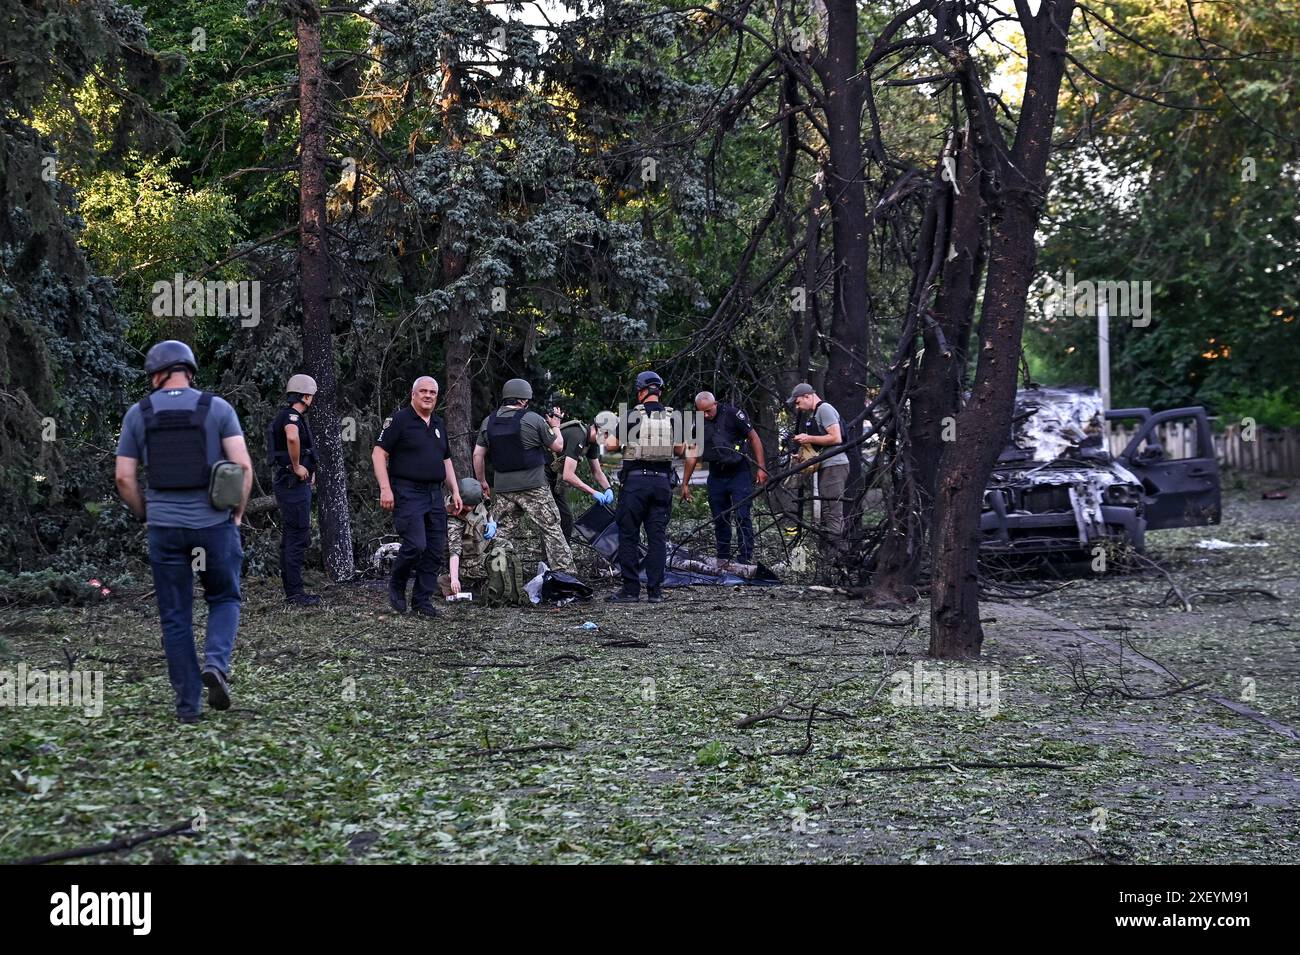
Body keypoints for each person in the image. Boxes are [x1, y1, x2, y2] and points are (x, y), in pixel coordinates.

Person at [114, 340, 252, 723]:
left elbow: (125, 479)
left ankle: (187, 706)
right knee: (224, 598)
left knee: (175, 616)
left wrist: (147, 515)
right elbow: (243, 467)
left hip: (165, 530)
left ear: (157, 375)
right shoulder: (216, 408)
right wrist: (236, 516)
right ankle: (216, 665)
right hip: (213, 528)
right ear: (188, 370)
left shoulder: (138, 414)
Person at [372, 376, 463, 618]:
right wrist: (385, 488)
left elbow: (446, 459)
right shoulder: (399, 421)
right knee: (415, 544)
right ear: (413, 394)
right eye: (423, 391)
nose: (428, 395)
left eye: (432, 392)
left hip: (435, 493)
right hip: (407, 491)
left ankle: (422, 602)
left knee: (434, 550)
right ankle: (397, 584)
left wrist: (454, 490)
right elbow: (379, 453)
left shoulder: (438, 424)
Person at [473, 378, 577, 573]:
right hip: (534, 487)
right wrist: (555, 425)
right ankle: (565, 577)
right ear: (522, 401)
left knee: (501, 532)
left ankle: (496, 578)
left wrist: (482, 482)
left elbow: (478, 454)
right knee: (552, 529)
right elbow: (558, 446)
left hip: (504, 488)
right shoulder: (533, 419)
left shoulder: (489, 421)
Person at [605, 371, 683, 603]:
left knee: (629, 536)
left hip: (636, 483)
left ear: (641, 391)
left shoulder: (632, 416)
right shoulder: (674, 417)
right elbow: (681, 450)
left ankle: (630, 590)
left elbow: (610, 446)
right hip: (662, 484)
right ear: (659, 391)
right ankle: (655, 592)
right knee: (656, 538)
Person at [681, 391, 767, 565]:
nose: (705, 415)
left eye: (708, 411)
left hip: (738, 472)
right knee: (719, 517)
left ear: (715, 404)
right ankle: (723, 557)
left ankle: (744, 558)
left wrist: (761, 467)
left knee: (742, 515)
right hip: (716, 474)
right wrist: (685, 483)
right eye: (701, 412)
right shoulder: (699, 424)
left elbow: (754, 437)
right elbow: (692, 453)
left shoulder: (732, 414)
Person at [267, 374, 320, 606]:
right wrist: (298, 466)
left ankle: (293, 589)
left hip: (292, 483)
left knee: (292, 535)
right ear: (305, 396)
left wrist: (308, 467)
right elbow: (291, 437)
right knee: (297, 536)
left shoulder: (291, 416)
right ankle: (295, 593)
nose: (312, 400)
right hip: (292, 484)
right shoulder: (290, 416)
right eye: (311, 396)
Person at [789, 382, 849, 554]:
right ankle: (833, 554)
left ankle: (838, 556)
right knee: (828, 510)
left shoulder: (824, 409)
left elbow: (836, 438)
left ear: (807, 396)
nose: (797, 406)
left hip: (835, 465)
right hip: (827, 465)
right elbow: (822, 444)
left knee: (833, 512)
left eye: (798, 402)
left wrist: (808, 438)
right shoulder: (815, 415)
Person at [542, 399, 614, 541]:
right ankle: (548, 560)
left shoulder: (591, 442)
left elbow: (597, 471)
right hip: (540, 475)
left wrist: (608, 488)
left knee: (566, 519)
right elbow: (568, 475)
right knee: (552, 520)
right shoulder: (578, 435)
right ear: (600, 430)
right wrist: (594, 492)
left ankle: (563, 558)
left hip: (555, 480)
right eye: (607, 435)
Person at [440, 477, 497, 599]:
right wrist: (454, 579)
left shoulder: (480, 498)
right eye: (466, 506)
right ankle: (447, 578)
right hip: (463, 559)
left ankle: (480, 582)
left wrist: (492, 523)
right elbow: (454, 551)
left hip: (480, 546)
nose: (470, 508)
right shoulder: (453, 519)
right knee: (494, 566)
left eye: (473, 506)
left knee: (506, 549)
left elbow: (487, 508)